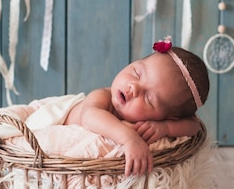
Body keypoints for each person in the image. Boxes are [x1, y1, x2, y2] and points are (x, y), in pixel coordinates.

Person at [66, 36, 210, 176]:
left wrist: (165, 127)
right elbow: (89, 117)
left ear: (166, 116)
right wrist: (130, 139)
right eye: (136, 73)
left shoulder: (157, 120)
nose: (134, 87)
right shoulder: (102, 97)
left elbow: (193, 125)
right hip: (58, 118)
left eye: (148, 97)